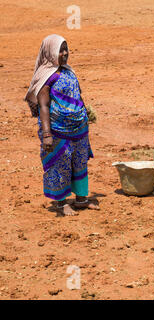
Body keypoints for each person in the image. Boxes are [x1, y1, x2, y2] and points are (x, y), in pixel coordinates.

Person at [24, 34, 98, 216]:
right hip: (57, 131)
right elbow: (43, 106)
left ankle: (81, 198)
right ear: (50, 52)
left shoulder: (68, 71)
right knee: (60, 165)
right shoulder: (45, 77)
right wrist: (47, 134)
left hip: (79, 129)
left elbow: (77, 94)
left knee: (80, 162)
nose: (64, 53)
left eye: (66, 49)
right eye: (60, 50)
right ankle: (60, 202)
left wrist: (84, 111)